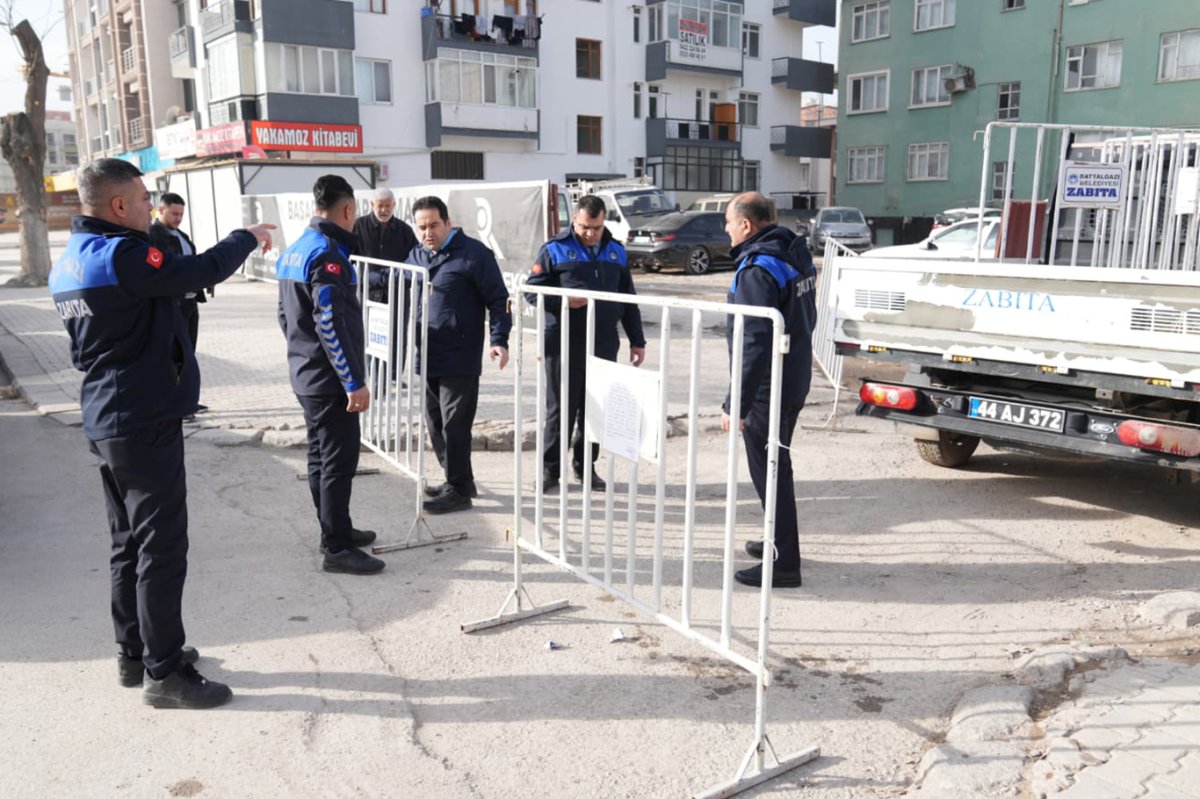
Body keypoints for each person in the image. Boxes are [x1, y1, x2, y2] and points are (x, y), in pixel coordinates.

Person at [48, 158, 274, 708]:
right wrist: (246, 236)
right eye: (146, 200)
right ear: (119, 205)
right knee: (162, 548)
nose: (153, 207)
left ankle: (134, 653)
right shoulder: (125, 253)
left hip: (106, 415)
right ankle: (165, 672)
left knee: (127, 543)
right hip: (143, 416)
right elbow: (194, 273)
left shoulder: (70, 262)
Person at [277, 175, 385, 575]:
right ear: (348, 210)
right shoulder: (327, 254)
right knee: (338, 461)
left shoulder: (296, 249)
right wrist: (352, 381)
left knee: (321, 458)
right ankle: (337, 547)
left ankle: (335, 529)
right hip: (328, 381)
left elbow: (284, 317)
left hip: (305, 373)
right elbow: (330, 324)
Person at [721, 192, 818, 589]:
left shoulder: (758, 269)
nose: (725, 229)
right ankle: (777, 543)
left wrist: (736, 404)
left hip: (768, 388)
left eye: (728, 222)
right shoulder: (793, 253)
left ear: (746, 225)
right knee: (775, 468)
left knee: (771, 473)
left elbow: (755, 342)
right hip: (792, 378)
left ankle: (783, 564)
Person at [525, 195, 646, 491]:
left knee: (595, 410)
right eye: (584, 227)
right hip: (564, 340)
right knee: (561, 408)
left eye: (596, 227)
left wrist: (637, 340)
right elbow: (531, 291)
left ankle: (585, 467)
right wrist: (565, 300)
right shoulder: (554, 249)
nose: (590, 234)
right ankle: (550, 470)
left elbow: (628, 300)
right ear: (574, 221)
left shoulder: (616, 251)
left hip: (604, 342)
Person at [406, 195, 511, 514]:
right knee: (435, 424)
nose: (428, 233)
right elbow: (394, 281)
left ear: (448, 222)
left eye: (434, 225)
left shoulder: (474, 254)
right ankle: (459, 480)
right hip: (428, 353)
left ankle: (458, 489)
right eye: (422, 227)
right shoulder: (417, 255)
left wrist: (499, 339)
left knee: (455, 426)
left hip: (460, 355)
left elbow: (499, 300)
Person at [149, 193, 210, 417]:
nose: (178, 218)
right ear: (159, 210)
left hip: (190, 302)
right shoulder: (153, 236)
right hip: (173, 303)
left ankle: (187, 400)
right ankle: (175, 405)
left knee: (188, 353)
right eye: (174, 213)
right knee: (174, 355)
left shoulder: (181, 235)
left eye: (182, 214)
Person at [354, 187, 418, 378]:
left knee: (398, 333)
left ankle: (394, 375)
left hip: (398, 291)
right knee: (369, 332)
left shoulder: (404, 230)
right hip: (367, 290)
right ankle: (373, 373)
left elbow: (414, 258)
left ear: (394, 206)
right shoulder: (359, 226)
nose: (384, 210)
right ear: (372, 204)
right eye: (380, 205)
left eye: (388, 206)